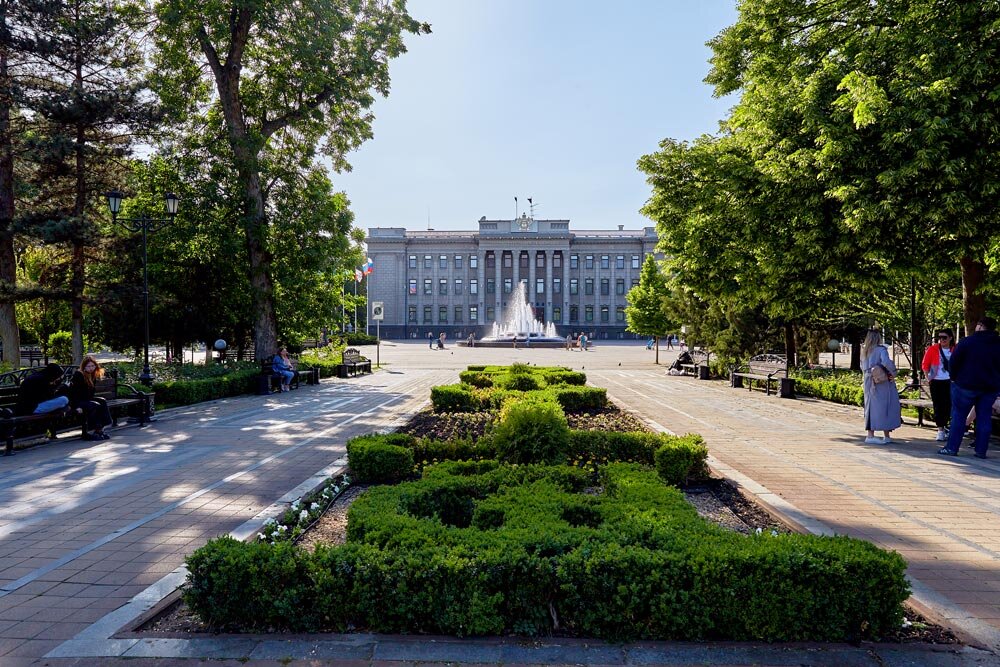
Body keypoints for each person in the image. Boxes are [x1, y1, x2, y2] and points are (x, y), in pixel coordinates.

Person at [939, 317, 1000, 458]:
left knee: (959, 416)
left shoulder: (968, 342)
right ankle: (981, 451)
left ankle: (952, 448)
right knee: (984, 417)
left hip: (965, 385)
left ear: (979, 326)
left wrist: (954, 377)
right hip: (990, 387)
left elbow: (953, 362)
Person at [861, 329, 901, 444]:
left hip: (869, 380)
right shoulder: (881, 349)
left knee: (870, 407)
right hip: (881, 381)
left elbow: (862, 366)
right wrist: (893, 373)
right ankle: (886, 435)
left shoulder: (865, 351)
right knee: (885, 406)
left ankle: (870, 434)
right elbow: (886, 362)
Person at [66, 356, 113, 440]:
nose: (91, 368)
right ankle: (90, 431)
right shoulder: (78, 375)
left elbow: (90, 394)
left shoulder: (92, 375)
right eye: (88, 366)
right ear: (84, 367)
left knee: (102, 401)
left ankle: (100, 429)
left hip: (86, 400)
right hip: (77, 402)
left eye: (92, 366)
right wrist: (76, 406)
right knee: (94, 405)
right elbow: (73, 393)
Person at [921, 329, 955, 442]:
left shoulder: (954, 349)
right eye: (939, 337)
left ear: (950, 338)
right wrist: (928, 378)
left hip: (950, 381)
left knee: (948, 405)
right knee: (938, 405)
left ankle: (946, 426)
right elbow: (925, 364)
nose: (942, 340)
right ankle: (940, 429)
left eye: (944, 337)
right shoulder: (933, 349)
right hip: (936, 381)